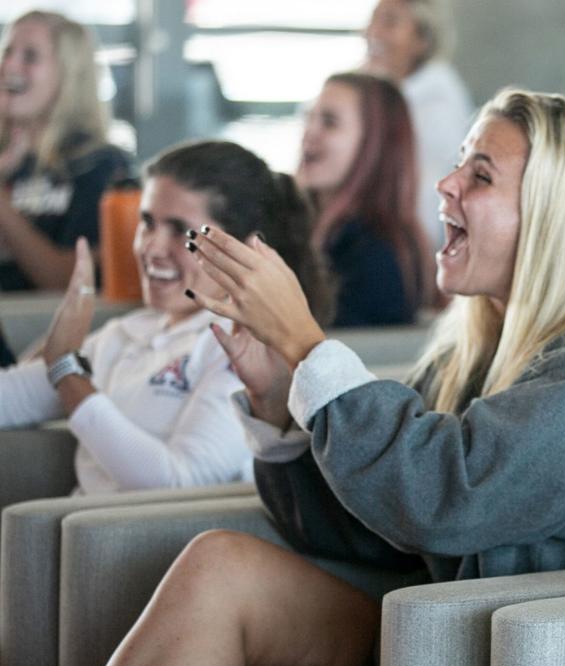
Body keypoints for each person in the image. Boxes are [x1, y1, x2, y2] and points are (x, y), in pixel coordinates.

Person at [20, 90, 565, 666]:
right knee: (184, 646)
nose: (446, 185)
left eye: (480, 175)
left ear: (554, 215)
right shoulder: (476, 346)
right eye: (458, 164)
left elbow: (443, 498)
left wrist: (306, 345)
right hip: (443, 640)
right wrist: (275, 394)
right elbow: (371, 523)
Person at [0, 140, 328, 495]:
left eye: (180, 230)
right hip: (70, 524)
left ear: (244, 249)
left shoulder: (247, 348)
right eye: (147, 223)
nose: (152, 247)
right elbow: (9, 401)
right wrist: (59, 359)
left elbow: (181, 482)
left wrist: (69, 376)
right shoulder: (127, 332)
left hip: (143, 528)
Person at [0, 10, 130, 291]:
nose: (9, 65)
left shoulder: (99, 165)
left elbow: (67, 281)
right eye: (7, 52)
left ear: (69, 74)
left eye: (30, 56)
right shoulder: (7, 158)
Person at [297, 72, 430, 327]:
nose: (308, 133)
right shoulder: (308, 230)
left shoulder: (377, 256)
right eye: (308, 118)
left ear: (375, 144)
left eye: (329, 122)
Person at [362, 0, 473, 263]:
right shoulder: (377, 89)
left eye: (390, 22)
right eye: (373, 20)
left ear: (423, 39)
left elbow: (427, 204)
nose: (372, 32)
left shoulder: (437, 104)